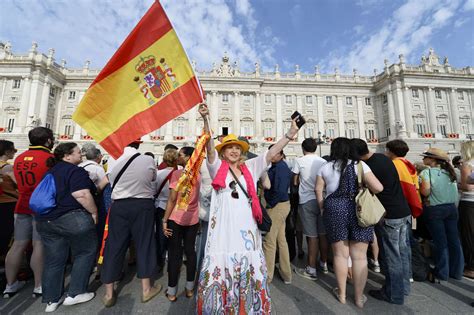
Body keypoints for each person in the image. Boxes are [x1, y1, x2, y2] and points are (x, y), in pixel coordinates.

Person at [196, 103, 300, 314]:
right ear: (223, 152)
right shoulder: (217, 168)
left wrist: (289, 134)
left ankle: (248, 308)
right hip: (224, 232)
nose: (234, 150)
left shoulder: (251, 168)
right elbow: (208, 149)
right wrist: (206, 120)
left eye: (237, 148)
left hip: (246, 230)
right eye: (229, 147)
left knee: (248, 266)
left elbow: (271, 154)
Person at [315, 137, 383, 308]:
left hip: (334, 209)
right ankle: (359, 298)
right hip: (358, 209)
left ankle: (342, 294)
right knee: (359, 257)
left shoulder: (325, 167)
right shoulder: (360, 165)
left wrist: (323, 207)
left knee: (340, 255)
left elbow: (318, 190)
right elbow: (378, 187)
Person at [35, 143, 98, 312]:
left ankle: (51, 300)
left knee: (54, 260)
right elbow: (82, 195)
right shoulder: (75, 171)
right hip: (71, 218)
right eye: (78, 152)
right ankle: (76, 292)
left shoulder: (51, 171)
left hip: (45, 220)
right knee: (85, 251)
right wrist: (93, 213)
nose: (81, 155)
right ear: (67, 156)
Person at [100, 140, 161, 307]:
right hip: (142, 205)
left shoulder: (112, 160)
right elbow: (153, 179)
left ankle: (109, 293)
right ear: (138, 145)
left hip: (119, 205)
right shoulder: (147, 160)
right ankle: (146, 289)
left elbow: (106, 181)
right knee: (144, 243)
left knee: (114, 245)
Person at [352, 138, 412, 305]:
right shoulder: (383, 158)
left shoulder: (369, 167)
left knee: (391, 256)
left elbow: (372, 188)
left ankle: (393, 294)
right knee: (403, 252)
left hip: (389, 215)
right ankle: (404, 287)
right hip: (403, 211)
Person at [4, 127, 54, 298]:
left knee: (18, 245)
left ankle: (10, 285)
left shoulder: (19, 158)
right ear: (48, 140)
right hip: (41, 205)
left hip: (21, 204)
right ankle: (39, 285)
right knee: (38, 244)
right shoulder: (49, 158)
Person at [419, 148, 464, 281]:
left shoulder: (426, 172)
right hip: (451, 208)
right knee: (454, 240)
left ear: (432, 159)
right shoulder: (450, 172)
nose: (423, 159)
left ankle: (442, 272)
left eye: (426, 156)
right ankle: (457, 271)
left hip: (435, 208)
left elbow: (426, 192)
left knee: (440, 241)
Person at [162, 146, 200, 301]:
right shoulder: (199, 175)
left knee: (174, 254)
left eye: (181, 155)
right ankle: (190, 288)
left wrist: (164, 220)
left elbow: (171, 200)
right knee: (190, 252)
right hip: (193, 218)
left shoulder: (177, 174)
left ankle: (172, 291)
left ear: (188, 157)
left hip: (176, 217)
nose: (178, 157)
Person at [292, 138, 328, 280]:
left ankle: (311, 268)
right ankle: (324, 263)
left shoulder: (299, 161)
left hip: (307, 200)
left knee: (312, 236)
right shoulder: (323, 162)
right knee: (322, 234)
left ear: (303, 148)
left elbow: (295, 181)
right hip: (322, 200)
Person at [263, 145, 292, 284]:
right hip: (282, 204)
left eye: (274, 153)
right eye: (270, 153)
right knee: (281, 240)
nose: (272, 155)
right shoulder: (278, 167)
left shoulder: (280, 168)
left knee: (269, 240)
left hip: (278, 205)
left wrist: (270, 204)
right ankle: (286, 274)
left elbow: (279, 190)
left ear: (281, 154)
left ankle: (267, 275)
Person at [153, 148, 178, 270]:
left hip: (161, 206)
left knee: (160, 234)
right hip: (175, 207)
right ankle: (171, 256)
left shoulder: (158, 174)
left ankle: (159, 259)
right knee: (173, 232)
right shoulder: (179, 173)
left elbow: (153, 190)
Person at [458, 141, 474, 279]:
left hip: (469, 202)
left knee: (469, 235)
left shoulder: (467, 165)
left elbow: (467, 187)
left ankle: (471, 268)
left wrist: (458, 185)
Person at [0, 141, 18, 262]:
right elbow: (19, 184)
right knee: (6, 232)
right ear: (7, 152)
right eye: (13, 150)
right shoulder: (7, 167)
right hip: (8, 202)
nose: (14, 152)